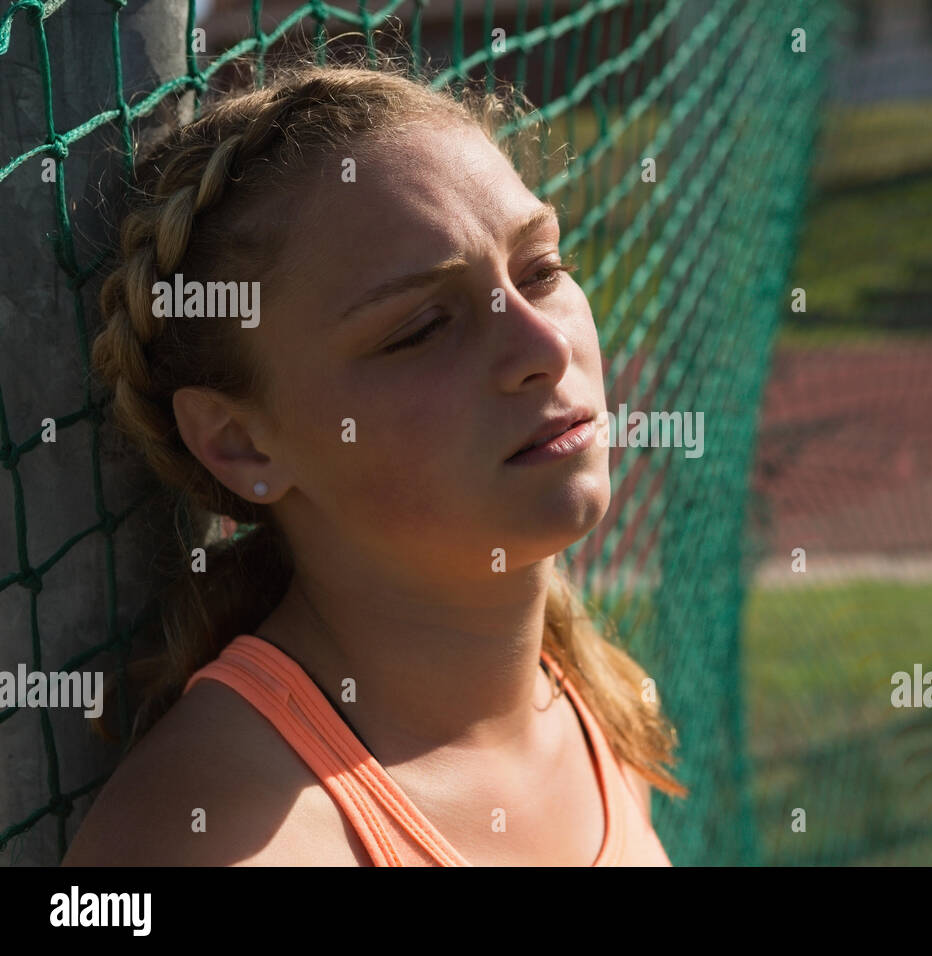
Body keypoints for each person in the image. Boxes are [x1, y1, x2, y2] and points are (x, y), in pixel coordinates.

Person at [62, 57, 686, 866]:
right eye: (421, 327)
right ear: (241, 442)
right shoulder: (215, 841)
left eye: (541, 270)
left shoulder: (586, 697)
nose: (545, 344)